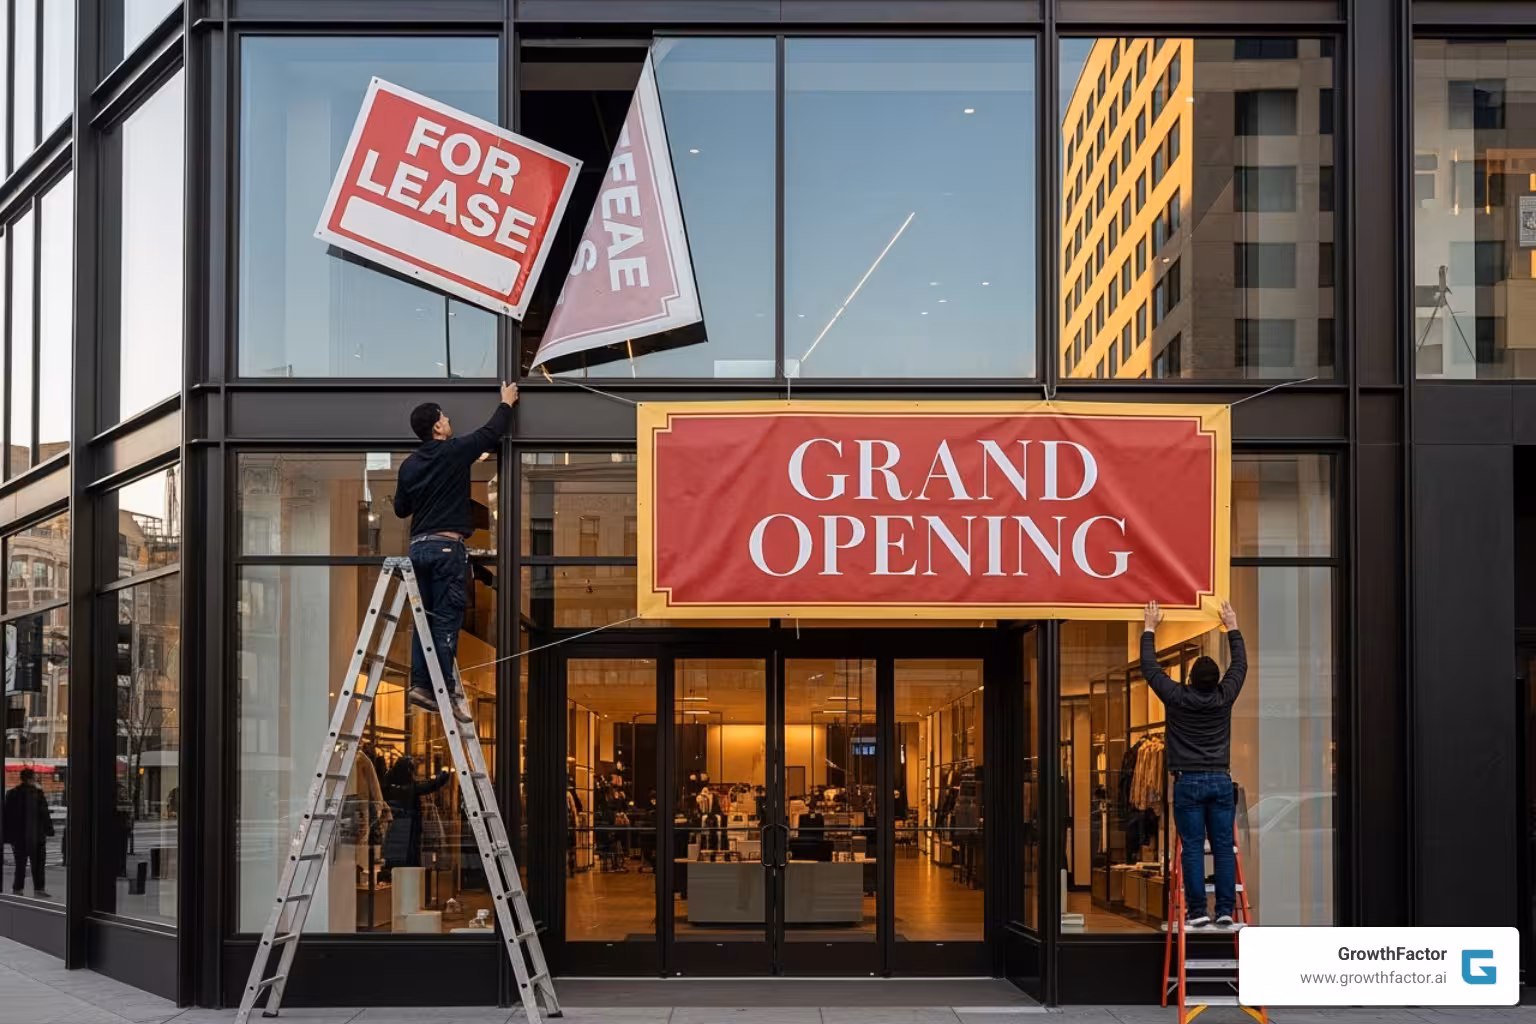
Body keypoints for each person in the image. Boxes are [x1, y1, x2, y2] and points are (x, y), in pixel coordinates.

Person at [393, 382, 518, 723]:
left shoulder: (409, 466)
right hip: (446, 547)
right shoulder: (453, 451)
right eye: (445, 418)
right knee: (447, 621)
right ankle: (444, 691)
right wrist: (506, 403)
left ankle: (421, 685)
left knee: (425, 621)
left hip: (418, 549)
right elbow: (491, 432)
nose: (449, 421)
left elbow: (401, 510)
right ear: (437, 427)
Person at [1141, 599, 1247, 929]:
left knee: (1191, 848)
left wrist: (1149, 627)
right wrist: (1232, 626)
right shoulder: (1224, 696)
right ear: (1216, 680)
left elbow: (1150, 668)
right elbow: (1240, 666)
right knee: (1223, 848)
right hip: (1219, 779)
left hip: (1187, 781)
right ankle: (1226, 910)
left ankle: (1198, 911)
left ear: (1189, 678)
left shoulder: (1177, 698)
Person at [3, 769, 55, 898]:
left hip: (21, 836)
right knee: (37, 864)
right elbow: (44, 813)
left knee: (20, 864)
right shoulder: (37, 793)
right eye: (34, 777)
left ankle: (18, 889)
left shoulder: (12, 793)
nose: (36, 779)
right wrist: (49, 830)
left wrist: (7, 836)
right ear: (29, 779)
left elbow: (6, 816)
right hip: (36, 835)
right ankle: (38, 889)